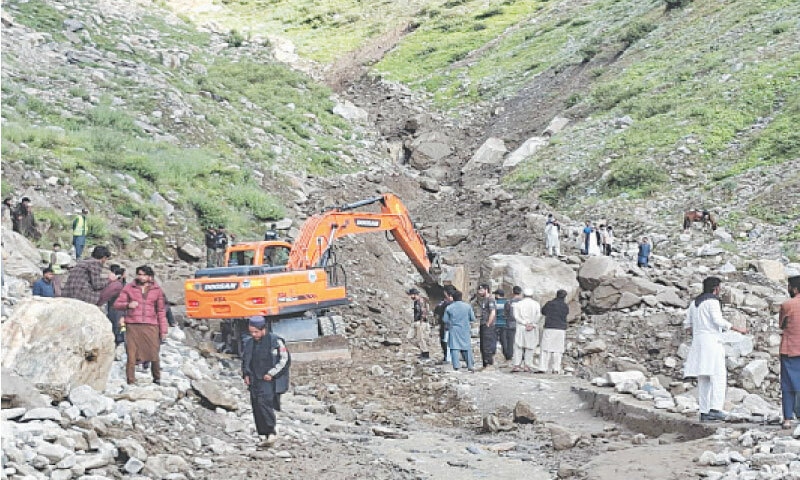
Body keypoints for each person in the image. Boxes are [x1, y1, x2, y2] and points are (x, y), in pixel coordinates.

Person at [683, 277, 747, 422]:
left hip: (698, 342)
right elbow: (718, 321)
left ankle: (704, 411)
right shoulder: (712, 302)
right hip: (712, 341)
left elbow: (687, 325)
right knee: (718, 375)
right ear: (716, 288)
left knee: (703, 377)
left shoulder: (694, 303)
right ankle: (715, 408)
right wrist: (737, 328)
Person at [114, 265, 169, 385]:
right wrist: (128, 305)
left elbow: (161, 311)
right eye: (139, 274)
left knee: (154, 353)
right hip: (132, 324)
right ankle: (130, 380)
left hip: (151, 325)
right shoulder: (129, 288)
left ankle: (157, 378)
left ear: (150, 277)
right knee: (131, 354)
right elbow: (117, 304)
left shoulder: (157, 290)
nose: (141, 277)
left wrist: (163, 330)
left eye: (144, 275)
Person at [242, 315, 290, 448]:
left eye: (256, 332)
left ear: (263, 329)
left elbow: (284, 360)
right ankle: (263, 434)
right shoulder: (249, 342)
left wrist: (272, 373)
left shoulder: (275, 341)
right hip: (254, 379)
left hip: (268, 379)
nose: (254, 334)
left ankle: (271, 431)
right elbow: (246, 359)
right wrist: (246, 374)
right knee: (256, 405)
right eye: (251, 332)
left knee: (265, 403)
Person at [779, 276, 800, 429]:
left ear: (794, 288)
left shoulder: (787, 305)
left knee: (788, 385)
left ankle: (787, 418)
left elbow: (782, 324)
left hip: (790, 348)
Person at [443, 290, 476, 372]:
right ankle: (470, 365)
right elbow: (473, 318)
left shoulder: (449, 307)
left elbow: (445, 320)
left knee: (454, 347)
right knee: (466, 347)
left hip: (454, 329)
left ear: (453, 298)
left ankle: (456, 366)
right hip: (465, 329)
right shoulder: (467, 306)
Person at [511, 288, 542, 373]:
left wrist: (524, 323)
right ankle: (527, 366)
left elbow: (516, 316)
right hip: (532, 328)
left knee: (518, 346)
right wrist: (532, 324)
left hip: (521, 326)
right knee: (530, 347)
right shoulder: (536, 304)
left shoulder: (518, 304)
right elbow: (538, 316)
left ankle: (517, 365)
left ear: (523, 295)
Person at [540, 290, 569, 374]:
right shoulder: (565, 306)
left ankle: (543, 367)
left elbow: (543, 311)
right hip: (560, 329)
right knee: (558, 349)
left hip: (549, 327)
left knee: (545, 348)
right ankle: (556, 368)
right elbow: (566, 313)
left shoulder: (550, 303)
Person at [98, 265, 127, 346]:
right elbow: (105, 295)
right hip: (116, 309)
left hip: (118, 308)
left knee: (119, 326)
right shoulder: (117, 285)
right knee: (117, 326)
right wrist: (99, 303)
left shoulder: (119, 284)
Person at [476, 283, 497, 371]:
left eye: (481, 290)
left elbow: (493, 312)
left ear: (486, 289)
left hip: (488, 325)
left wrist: (488, 323)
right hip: (483, 324)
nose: (479, 292)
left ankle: (489, 364)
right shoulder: (483, 300)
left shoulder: (490, 299)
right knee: (483, 345)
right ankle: (485, 364)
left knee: (487, 345)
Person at [433, 285, 457, 364]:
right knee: (443, 341)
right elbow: (437, 310)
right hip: (444, 323)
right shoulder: (444, 302)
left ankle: (449, 358)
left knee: (447, 341)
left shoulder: (451, 303)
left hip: (449, 324)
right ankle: (446, 356)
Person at [406, 288, 430, 360]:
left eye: (411, 295)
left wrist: (421, 321)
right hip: (416, 322)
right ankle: (423, 350)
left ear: (415, 294)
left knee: (421, 339)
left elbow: (424, 312)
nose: (411, 297)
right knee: (410, 337)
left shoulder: (421, 301)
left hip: (421, 322)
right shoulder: (416, 302)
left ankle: (425, 353)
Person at [501, 286, 522, 363]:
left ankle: (509, 358)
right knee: (521, 341)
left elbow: (505, 314)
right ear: (520, 293)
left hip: (510, 324)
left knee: (510, 342)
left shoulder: (509, 302)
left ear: (512, 292)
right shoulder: (523, 302)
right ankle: (521, 358)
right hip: (521, 325)